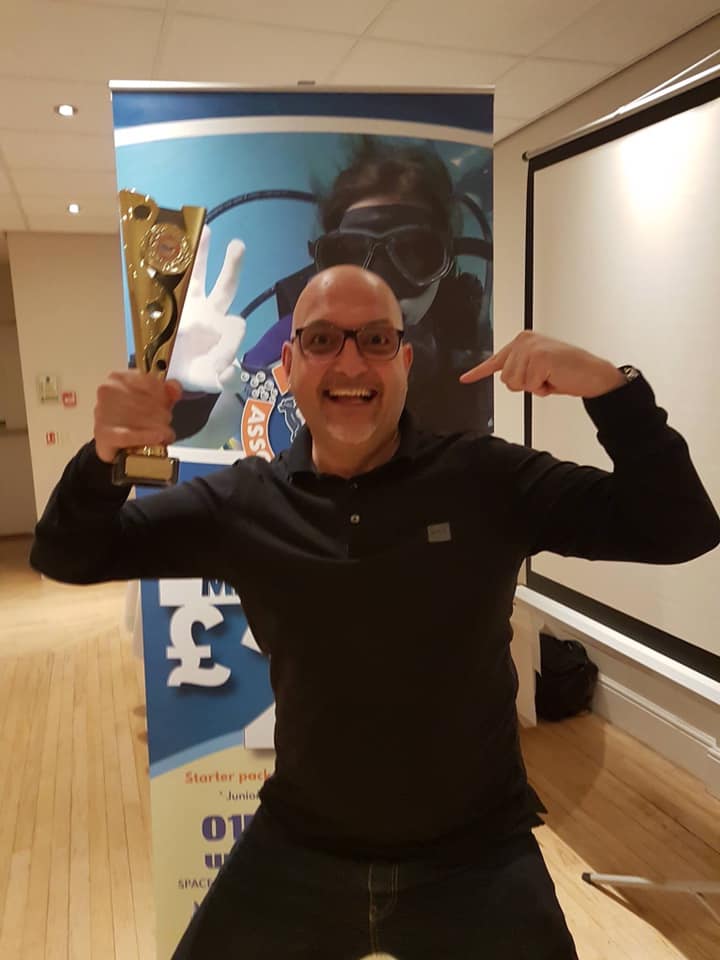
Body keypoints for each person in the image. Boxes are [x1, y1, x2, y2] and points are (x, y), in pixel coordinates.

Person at [31, 266, 720, 959]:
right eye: (323, 339)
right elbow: (68, 553)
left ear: (406, 362)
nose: (352, 362)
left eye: (376, 339)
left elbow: (679, 528)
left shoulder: (484, 480)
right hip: (300, 850)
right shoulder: (247, 503)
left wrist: (611, 389)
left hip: (478, 856)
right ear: (288, 364)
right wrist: (104, 457)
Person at [169, 137, 493, 449]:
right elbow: (210, 433)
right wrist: (190, 398)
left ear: (445, 262)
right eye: (353, 254)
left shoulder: (475, 354)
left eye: (413, 254)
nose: (382, 288)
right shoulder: (295, 342)